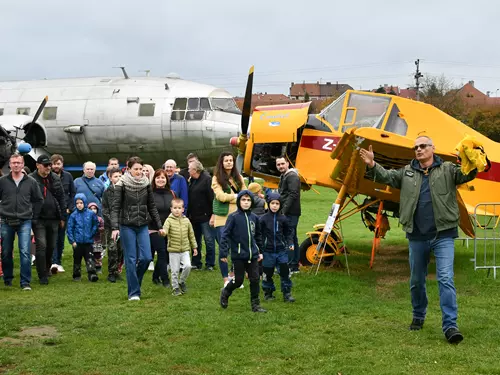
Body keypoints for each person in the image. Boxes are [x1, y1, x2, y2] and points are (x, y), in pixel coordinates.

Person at [359, 135, 477, 344]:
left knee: (445, 279)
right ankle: (418, 315)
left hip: (443, 235)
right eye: (416, 147)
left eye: (423, 146)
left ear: (433, 148)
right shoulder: (407, 172)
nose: (419, 150)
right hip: (417, 236)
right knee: (416, 281)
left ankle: (450, 326)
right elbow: (386, 176)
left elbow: (466, 175)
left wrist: (475, 163)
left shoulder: (448, 170)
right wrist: (372, 164)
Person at [111, 156, 164, 301]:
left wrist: (159, 225)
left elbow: (152, 206)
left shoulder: (146, 183)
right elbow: (115, 207)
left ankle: (135, 283)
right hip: (126, 225)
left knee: (147, 258)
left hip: (142, 225)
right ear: (128, 169)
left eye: (141, 169)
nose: (139, 172)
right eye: (136, 169)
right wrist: (115, 227)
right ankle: (134, 293)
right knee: (131, 259)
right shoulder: (121, 184)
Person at [0, 154, 43, 290]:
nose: (16, 165)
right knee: (6, 252)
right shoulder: (2, 181)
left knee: (25, 251)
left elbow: (38, 200)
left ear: (23, 164)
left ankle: (25, 282)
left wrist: (33, 216)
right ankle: (8, 279)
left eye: (19, 163)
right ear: (10, 165)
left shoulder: (31, 182)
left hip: (25, 220)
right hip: (6, 220)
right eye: (14, 163)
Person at [219, 190, 266, 312]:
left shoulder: (254, 218)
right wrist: (223, 253)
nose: (246, 202)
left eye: (248, 200)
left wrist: (260, 251)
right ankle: (226, 292)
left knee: (255, 279)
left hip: (253, 255)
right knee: (238, 280)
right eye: (243, 200)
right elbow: (225, 235)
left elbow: (258, 236)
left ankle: (255, 305)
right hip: (239, 255)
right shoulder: (233, 217)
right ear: (239, 201)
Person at [211, 151, 247, 286]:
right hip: (222, 217)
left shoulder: (239, 177)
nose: (229, 163)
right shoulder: (216, 178)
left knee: (237, 248)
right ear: (222, 162)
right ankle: (225, 279)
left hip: (237, 217)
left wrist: (236, 198)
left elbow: (245, 194)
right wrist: (236, 197)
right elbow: (220, 196)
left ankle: (234, 275)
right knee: (223, 248)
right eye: (226, 160)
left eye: (231, 160)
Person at [30, 155, 67, 284]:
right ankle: (42, 275)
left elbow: (62, 198)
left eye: (49, 165)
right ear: (38, 165)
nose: (48, 168)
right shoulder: (31, 179)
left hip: (54, 218)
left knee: (51, 246)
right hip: (39, 218)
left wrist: (62, 217)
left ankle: (47, 268)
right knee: (41, 246)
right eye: (45, 165)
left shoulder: (55, 178)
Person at [260, 193, 295, 302]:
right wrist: (260, 249)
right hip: (267, 251)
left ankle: (287, 293)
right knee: (267, 273)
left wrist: (290, 243)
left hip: (281, 251)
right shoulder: (263, 219)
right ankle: (268, 293)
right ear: (268, 204)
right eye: (272, 203)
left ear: (280, 205)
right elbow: (259, 235)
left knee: (285, 272)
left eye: (277, 203)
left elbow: (288, 233)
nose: (274, 206)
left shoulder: (283, 219)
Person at [161, 198, 197, 296]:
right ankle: (175, 288)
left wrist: (194, 247)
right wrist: (163, 233)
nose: (177, 210)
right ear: (171, 209)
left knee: (188, 266)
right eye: (175, 208)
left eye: (179, 208)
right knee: (175, 270)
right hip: (173, 250)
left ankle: (182, 281)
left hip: (185, 249)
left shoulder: (186, 220)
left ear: (183, 209)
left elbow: (191, 234)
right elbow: (165, 230)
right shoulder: (168, 220)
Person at [187, 160, 215, 271]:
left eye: (189, 168)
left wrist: (213, 214)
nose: (188, 170)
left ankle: (210, 263)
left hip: (205, 216)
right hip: (194, 216)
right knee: (195, 240)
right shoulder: (192, 180)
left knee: (209, 239)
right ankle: (195, 261)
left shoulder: (207, 179)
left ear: (195, 170)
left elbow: (212, 198)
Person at [50, 154, 75, 273]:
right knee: (52, 238)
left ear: (62, 164)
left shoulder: (68, 176)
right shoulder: (48, 177)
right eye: (54, 164)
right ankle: (52, 262)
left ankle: (58, 262)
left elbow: (73, 193)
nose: (56, 166)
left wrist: (69, 208)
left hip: (65, 213)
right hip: (51, 212)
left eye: (58, 164)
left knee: (60, 238)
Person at [276, 156, 301, 274]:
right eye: (278, 164)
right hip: (291, 212)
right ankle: (294, 266)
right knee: (293, 238)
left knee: (288, 239)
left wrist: (283, 211)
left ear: (287, 163)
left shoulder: (291, 176)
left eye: (282, 164)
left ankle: (289, 268)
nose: (280, 166)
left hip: (290, 213)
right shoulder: (285, 175)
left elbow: (293, 194)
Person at [150, 169, 174, 287]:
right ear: (154, 180)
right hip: (154, 228)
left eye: (163, 178)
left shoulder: (171, 193)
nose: (160, 180)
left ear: (166, 180)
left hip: (168, 228)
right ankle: (165, 279)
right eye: (158, 177)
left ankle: (155, 276)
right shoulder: (150, 193)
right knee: (162, 252)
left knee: (167, 253)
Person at [67, 193, 99, 282]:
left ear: (84, 203)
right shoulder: (73, 215)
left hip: (88, 242)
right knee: (77, 259)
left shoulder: (91, 214)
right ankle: (76, 275)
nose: (79, 205)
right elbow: (70, 228)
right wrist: (72, 241)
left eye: (81, 203)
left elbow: (95, 224)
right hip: (77, 242)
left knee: (90, 258)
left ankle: (92, 274)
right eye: (77, 203)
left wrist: (92, 234)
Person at [101, 167, 123, 283]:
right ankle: (111, 272)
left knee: (121, 249)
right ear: (110, 178)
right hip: (110, 226)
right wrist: (113, 222)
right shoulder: (107, 192)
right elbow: (105, 209)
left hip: (123, 225)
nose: (118, 178)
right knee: (112, 248)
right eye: (115, 176)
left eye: (120, 176)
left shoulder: (125, 191)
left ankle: (117, 270)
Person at [88, 202, 105, 273]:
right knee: (89, 255)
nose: (93, 210)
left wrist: (97, 229)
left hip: (98, 240)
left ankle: (98, 267)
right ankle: (91, 267)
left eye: (94, 209)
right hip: (89, 240)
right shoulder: (87, 219)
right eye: (91, 209)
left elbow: (103, 228)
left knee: (97, 254)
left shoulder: (100, 219)